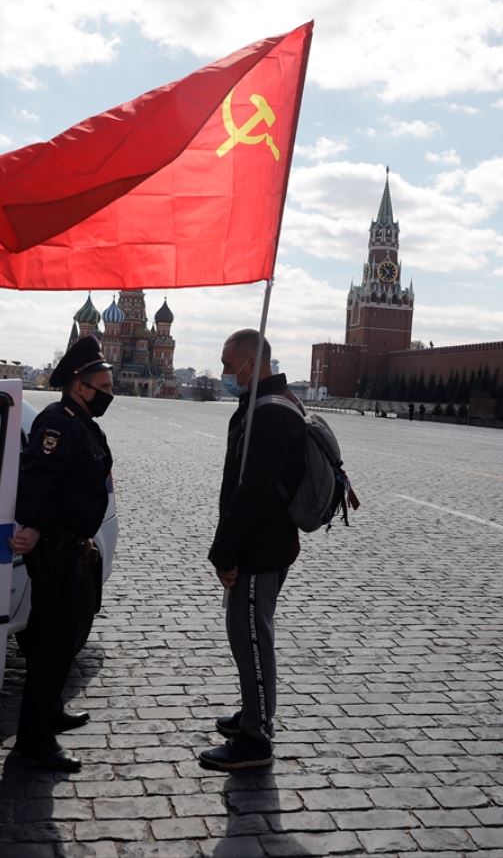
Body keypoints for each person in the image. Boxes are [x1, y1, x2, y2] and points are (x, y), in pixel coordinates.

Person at [200, 329, 305, 771]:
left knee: (253, 640)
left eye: (229, 363)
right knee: (245, 636)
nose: (224, 372)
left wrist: (224, 552)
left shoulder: (268, 413)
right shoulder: (270, 405)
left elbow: (255, 490)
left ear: (251, 362)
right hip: (265, 543)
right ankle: (251, 713)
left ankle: (256, 738)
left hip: (260, 547)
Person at [9, 334, 114, 773]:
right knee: (53, 642)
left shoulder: (81, 420)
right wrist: (31, 526)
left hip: (74, 545)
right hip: (55, 547)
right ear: (79, 385)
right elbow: (39, 476)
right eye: (103, 384)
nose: (110, 391)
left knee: (64, 637)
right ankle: (35, 739)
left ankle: (49, 710)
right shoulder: (57, 422)